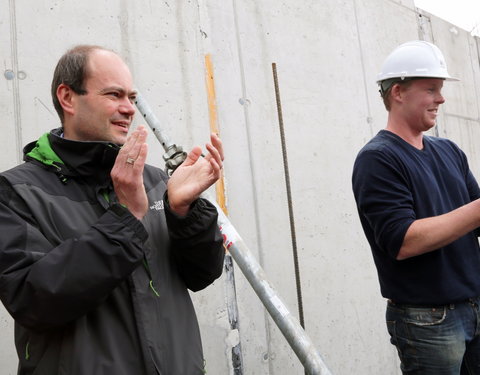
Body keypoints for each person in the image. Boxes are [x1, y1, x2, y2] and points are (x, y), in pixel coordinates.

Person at [0, 45, 225, 375]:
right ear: (68, 98)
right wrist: (127, 216)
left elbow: (202, 275)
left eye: (131, 97)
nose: (128, 109)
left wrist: (183, 212)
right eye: (114, 95)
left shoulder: (155, 182)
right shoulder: (15, 193)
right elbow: (34, 299)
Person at [352, 40, 480, 374]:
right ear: (398, 92)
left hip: (474, 305)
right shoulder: (378, 159)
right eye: (431, 89)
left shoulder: (449, 151)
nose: (441, 98)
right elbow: (404, 241)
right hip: (428, 322)